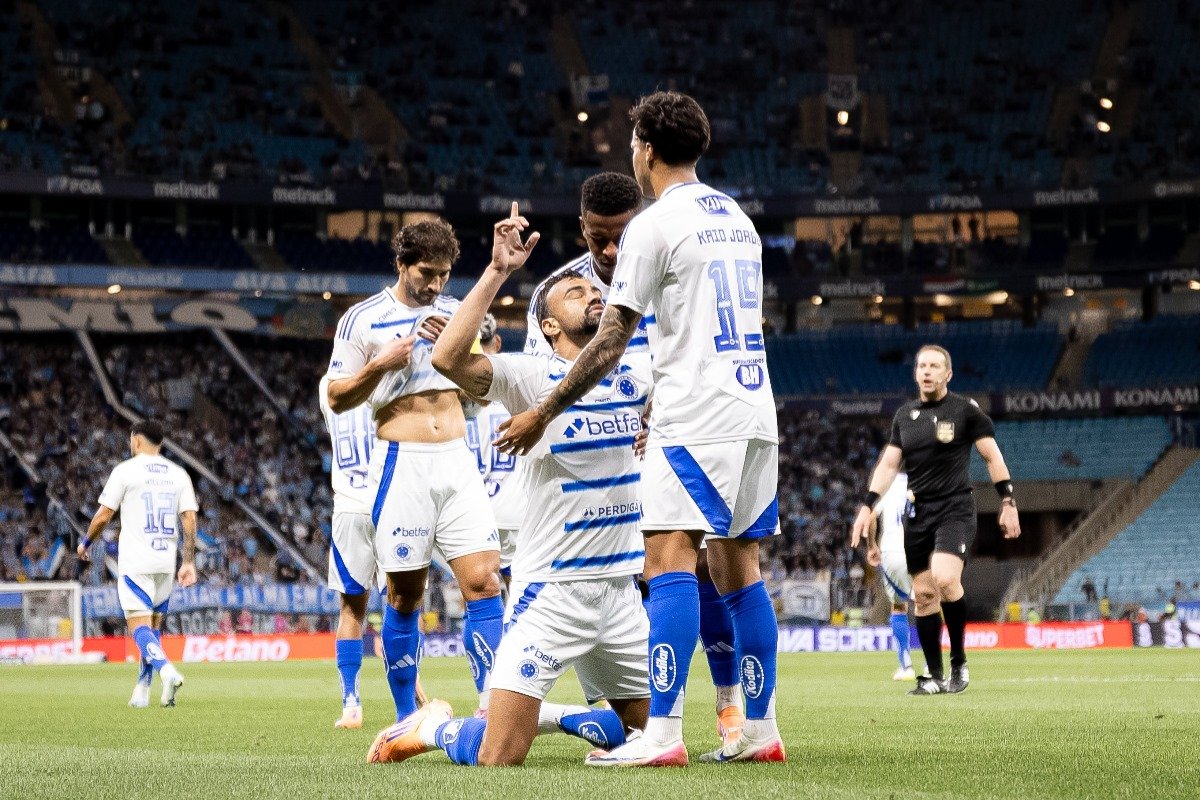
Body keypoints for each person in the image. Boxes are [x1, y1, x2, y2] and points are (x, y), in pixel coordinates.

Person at [497, 91, 784, 766]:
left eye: (632, 142)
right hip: (754, 408)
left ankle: (660, 737)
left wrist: (543, 409)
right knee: (741, 567)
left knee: (668, 559)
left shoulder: (657, 224)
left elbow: (609, 341)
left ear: (645, 150)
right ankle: (761, 730)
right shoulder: (737, 217)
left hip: (695, 416)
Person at [368, 205, 647, 767]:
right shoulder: (528, 376)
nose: (591, 294)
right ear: (548, 324)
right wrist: (497, 272)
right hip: (552, 595)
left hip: (620, 593)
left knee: (645, 739)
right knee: (499, 758)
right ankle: (436, 727)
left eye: (593, 291)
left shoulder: (634, 375)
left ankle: (548, 714)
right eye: (573, 293)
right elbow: (448, 356)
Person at [528, 170, 745, 744]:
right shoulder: (554, 296)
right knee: (609, 579)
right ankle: (612, 707)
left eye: (621, 235)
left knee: (703, 560)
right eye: (597, 236)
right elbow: (544, 382)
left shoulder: (673, 271)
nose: (608, 250)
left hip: (673, 439)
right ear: (581, 227)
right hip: (597, 463)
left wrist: (658, 416)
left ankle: (728, 704)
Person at [326, 219, 504, 722]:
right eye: (427, 273)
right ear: (402, 264)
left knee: (486, 581)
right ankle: (407, 718)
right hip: (401, 463)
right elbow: (338, 397)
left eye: (445, 275)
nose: (436, 285)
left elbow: (477, 388)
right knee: (405, 593)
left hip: (456, 456)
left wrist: (460, 358)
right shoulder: (362, 319)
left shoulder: (455, 312)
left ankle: (491, 708)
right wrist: (380, 365)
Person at [851, 345, 1021, 695]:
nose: (927, 371)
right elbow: (887, 465)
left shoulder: (965, 411)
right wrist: (868, 506)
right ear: (916, 373)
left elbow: (992, 457)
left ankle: (959, 662)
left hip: (955, 509)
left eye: (934, 366)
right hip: (919, 513)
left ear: (948, 374)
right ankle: (932, 675)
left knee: (944, 579)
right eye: (922, 366)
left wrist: (1008, 500)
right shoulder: (905, 416)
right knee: (924, 595)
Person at [76, 419, 197, 708]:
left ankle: (167, 671)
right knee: (153, 627)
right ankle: (142, 690)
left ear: (137, 441)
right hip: (166, 562)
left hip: (136, 562)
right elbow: (189, 520)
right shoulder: (179, 474)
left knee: (138, 627)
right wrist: (188, 561)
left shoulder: (125, 471)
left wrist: (86, 542)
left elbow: (104, 515)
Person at [318, 373, 378, 729]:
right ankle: (412, 704)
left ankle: (351, 704)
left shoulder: (328, 385)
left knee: (351, 609)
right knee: (404, 606)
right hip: (391, 503)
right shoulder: (393, 374)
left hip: (348, 509)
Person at [463, 314, 521, 587]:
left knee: (475, 597)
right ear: (496, 342)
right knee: (521, 592)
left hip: (471, 512)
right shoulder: (521, 387)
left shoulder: (452, 394)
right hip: (515, 511)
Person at [865, 471, 916, 681]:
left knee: (899, 605)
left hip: (893, 551)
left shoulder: (884, 484)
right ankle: (936, 668)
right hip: (919, 547)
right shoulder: (921, 480)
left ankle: (906, 666)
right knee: (928, 603)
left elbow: (870, 517)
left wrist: (871, 545)